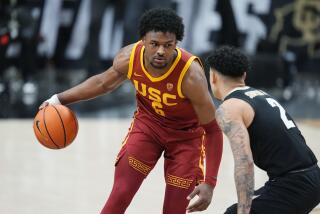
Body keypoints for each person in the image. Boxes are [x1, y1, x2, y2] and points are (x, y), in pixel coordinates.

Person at [40, 8, 223, 214]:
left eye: (167, 45)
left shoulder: (191, 76)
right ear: (143, 41)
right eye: (154, 44)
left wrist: (210, 183)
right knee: (120, 194)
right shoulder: (128, 57)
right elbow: (102, 83)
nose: (161, 51)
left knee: (173, 210)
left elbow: (213, 130)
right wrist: (58, 99)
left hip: (186, 139)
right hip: (148, 128)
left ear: (176, 44)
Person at [206, 45, 320, 214]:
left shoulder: (229, 108)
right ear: (244, 75)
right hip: (312, 176)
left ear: (213, 76)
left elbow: (244, 163)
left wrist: (243, 211)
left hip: (293, 184)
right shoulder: (260, 95)